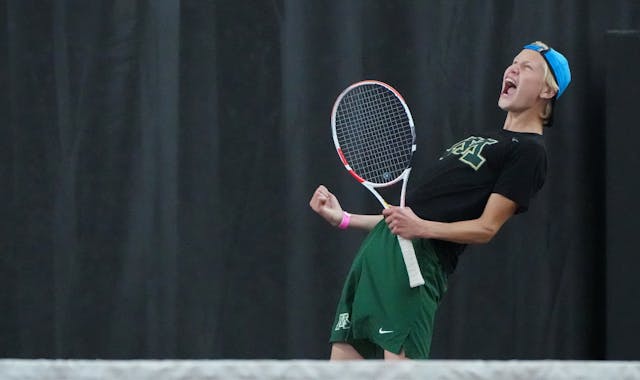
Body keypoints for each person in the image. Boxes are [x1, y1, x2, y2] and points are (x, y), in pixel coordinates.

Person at [309, 41, 571, 360]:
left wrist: (420, 228)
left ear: (548, 90)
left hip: (416, 261)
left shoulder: (529, 152)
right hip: (376, 253)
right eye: (513, 62)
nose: (512, 68)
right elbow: (407, 219)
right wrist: (344, 218)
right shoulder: (481, 140)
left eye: (526, 66)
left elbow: (485, 228)